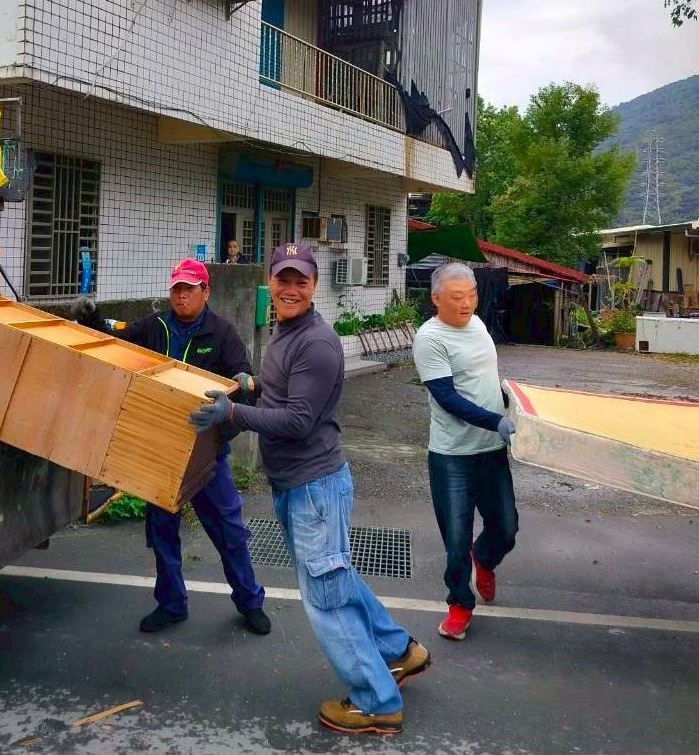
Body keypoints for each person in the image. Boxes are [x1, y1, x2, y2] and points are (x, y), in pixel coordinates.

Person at [188, 243, 430, 736]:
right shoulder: (286, 332)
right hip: (300, 485)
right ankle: (399, 651)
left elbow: (299, 420)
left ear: (315, 285)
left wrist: (234, 413)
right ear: (271, 282)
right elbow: (286, 393)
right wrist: (252, 387)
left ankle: (376, 702)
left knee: (326, 599)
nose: (291, 289)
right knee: (337, 579)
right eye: (283, 279)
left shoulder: (316, 343)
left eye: (301, 281)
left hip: (313, 487)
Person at [70, 259, 271, 636]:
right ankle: (171, 604)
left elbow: (243, 388)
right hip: (162, 453)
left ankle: (250, 602)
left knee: (229, 532)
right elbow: (116, 345)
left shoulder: (222, 334)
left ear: (206, 292)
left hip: (207, 456)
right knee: (162, 531)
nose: (181, 295)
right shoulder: (155, 326)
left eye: (189, 289)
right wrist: (91, 318)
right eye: (177, 288)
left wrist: (225, 424)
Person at [412, 262, 518, 641]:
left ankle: (484, 559)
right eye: (457, 297)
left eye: (471, 295)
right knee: (456, 540)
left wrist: (513, 403)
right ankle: (459, 603)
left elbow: (484, 381)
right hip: (451, 456)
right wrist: (495, 421)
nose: (467, 303)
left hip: (491, 450)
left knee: (506, 528)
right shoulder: (429, 339)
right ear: (436, 299)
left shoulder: (479, 326)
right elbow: (448, 398)